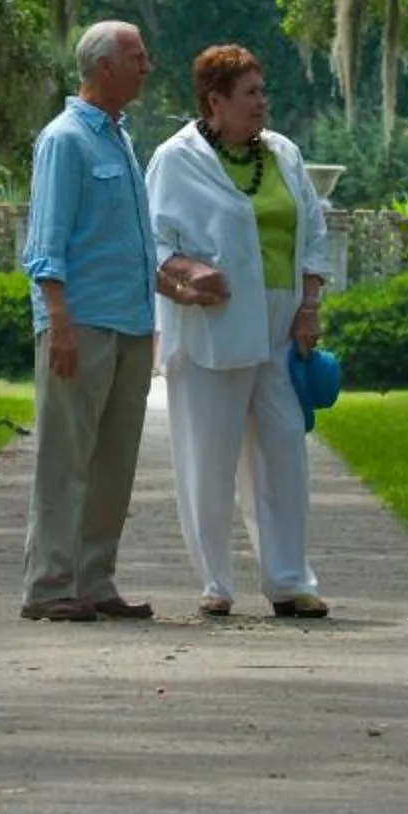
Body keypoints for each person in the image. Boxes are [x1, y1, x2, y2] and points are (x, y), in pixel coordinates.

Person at [144, 44, 336, 618]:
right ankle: (215, 582)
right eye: (250, 93)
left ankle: (289, 580)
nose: (262, 103)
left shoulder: (283, 154)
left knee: (283, 453)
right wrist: (188, 275)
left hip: (278, 328)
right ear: (215, 102)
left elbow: (314, 233)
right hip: (213, 329)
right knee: (209, 455)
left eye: (262, 90)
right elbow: (152, 244)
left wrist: (309, 307)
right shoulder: (174, 160)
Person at [16, 20, 162, 622]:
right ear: (104, 66)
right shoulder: (66, 139)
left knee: (114, 461)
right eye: (137, 56)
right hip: (81, 321)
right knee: (65, 459)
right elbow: (45, 242)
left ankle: (94, 579)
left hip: (129, 323)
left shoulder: (120, 139)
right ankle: (49, 586)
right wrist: (58, 319)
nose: (147, 66)